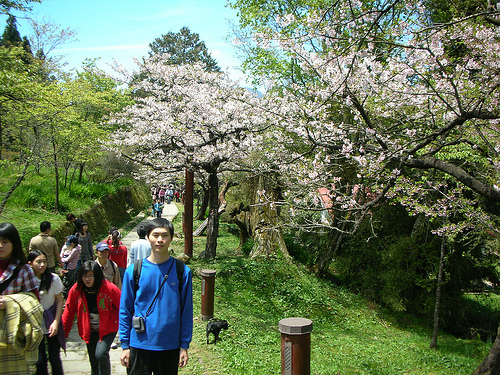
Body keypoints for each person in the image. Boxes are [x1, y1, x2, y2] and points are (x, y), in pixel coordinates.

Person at [119, 217, 193, 374]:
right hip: (139, 344)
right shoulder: (133, 271)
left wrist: (184, 345)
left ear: (171, 238)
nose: (160, 240)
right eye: (155, 235)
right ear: (147, 237)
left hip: (169, 346)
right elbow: (125, 309)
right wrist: (125, 345)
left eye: (165, 235)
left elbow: (186, 312)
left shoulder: (182, 272)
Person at [62, 260, 121, 375]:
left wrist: (127, 333)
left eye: (90, 276)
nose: (87, 279)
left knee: (101, 353)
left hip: (108, 328)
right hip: (89, 329)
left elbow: (123, 308)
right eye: (84, 276)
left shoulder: (109, 288)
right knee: (93, 359)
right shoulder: (76, 290)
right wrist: (63, 334)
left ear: (97, 276)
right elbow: (69, 311)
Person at [0, 222, 43, 375]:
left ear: (14, 243)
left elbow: (35, 303)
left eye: (5, 242)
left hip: (12, 337)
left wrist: (10, 302)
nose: (0, 245)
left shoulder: (24, 270)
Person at [28, 250, 65, 375]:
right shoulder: (27, 281)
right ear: (30, 264)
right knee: (40, 359)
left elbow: (60, 301)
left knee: (55, 358)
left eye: (44, 261)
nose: (42, 265)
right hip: (34, 322)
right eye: (38, 262)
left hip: (51, 319)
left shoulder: (53, 279)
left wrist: (56, 321)